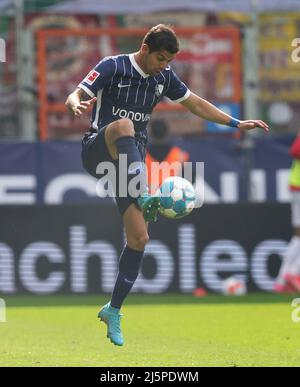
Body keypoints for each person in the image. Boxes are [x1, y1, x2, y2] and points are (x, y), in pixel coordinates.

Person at [65, 24, 269, 346]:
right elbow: (77, 93)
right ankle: (146, 194)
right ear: (145, 48)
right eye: (160, 58)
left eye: (168, 61)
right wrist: (74, 103)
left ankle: (113, 309)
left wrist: (235, 123)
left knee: (139, 237)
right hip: (99, 150)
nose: (164, 65)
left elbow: (195, 103)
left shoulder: (164, 78)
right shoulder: (112, 66)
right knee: (124, 124)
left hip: (128, 167)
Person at [274, 132, 300, 293]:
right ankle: (293, 274)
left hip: (296, 185)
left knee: (298, 235)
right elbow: (296, 151)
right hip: (298, 186)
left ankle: (282, 279)